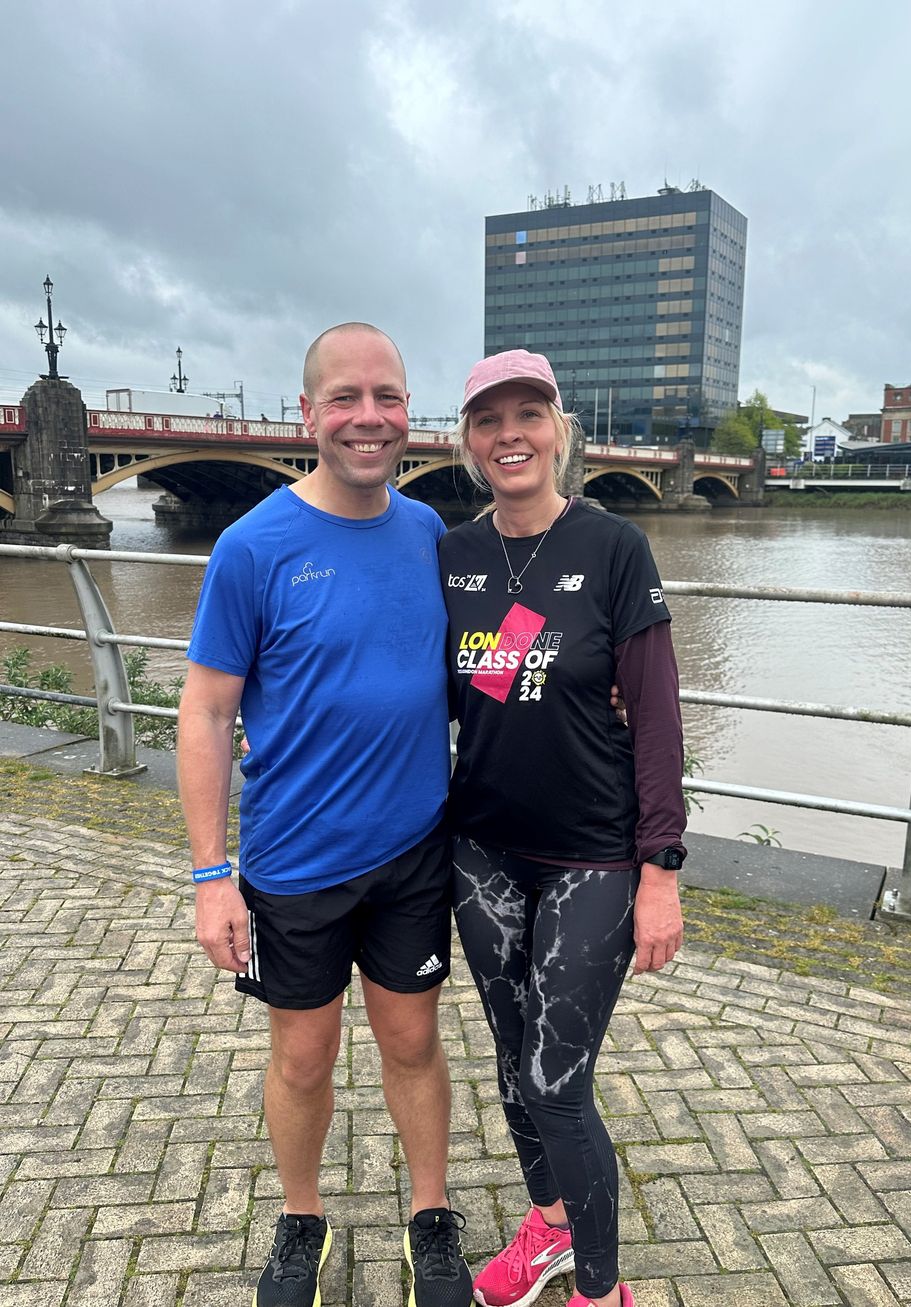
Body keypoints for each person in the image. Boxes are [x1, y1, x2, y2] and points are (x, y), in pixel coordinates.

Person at [177, 322, 474, 1307]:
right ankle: (300, 1217)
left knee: (412, 1043)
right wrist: (210, 874)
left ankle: (429, 1216)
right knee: (301, 1055)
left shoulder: (430, 531)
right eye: (344, 397)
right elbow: (208, 710)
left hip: (411, 851)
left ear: (406, 413)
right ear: (306, 413)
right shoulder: (250, 547)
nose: (367, 416)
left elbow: (480, 658)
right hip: (293, 862)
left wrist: (588, 681)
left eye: (386, 396)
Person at [439, 350, 686, 1307]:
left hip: (594, 853)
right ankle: (547, 1223)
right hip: (483, 848)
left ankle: (600, 1289)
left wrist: (660, 863)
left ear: (560, 430)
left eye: (529, 414)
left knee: (555, 1079)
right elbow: (420, 688)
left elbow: (657, 716)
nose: (511, 433)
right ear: (467, 442)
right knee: (511, 1061)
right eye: (489, 418)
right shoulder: (453, 555)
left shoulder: (615, 546)